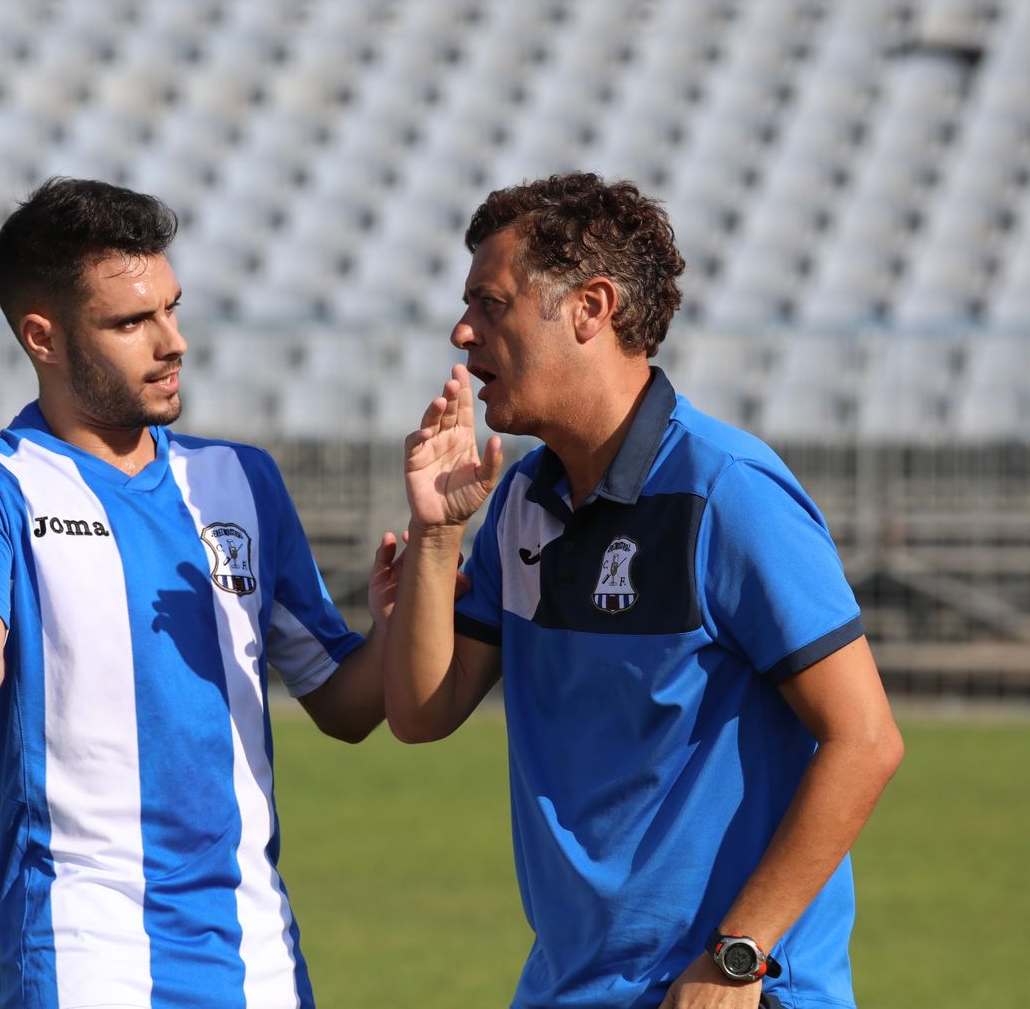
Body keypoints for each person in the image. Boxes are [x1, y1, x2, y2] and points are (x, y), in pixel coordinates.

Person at [0, 177, 391, 1009]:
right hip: (82, 948)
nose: (171, 342)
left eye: (173, 309)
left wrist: (415, 593)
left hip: (256, 951)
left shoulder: (240, 481)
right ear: (44, 337)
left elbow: (346, 706)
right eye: (132, 322)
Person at [384, 173, 905, 1009]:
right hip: (568, 987)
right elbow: (421, 714)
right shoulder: (522, 499)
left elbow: (867, 740)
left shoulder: (727, 492)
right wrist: (437, 540)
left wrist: (738, 956)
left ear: (590, 308)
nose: (463, 331)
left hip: (730, 991)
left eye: (491, 303)